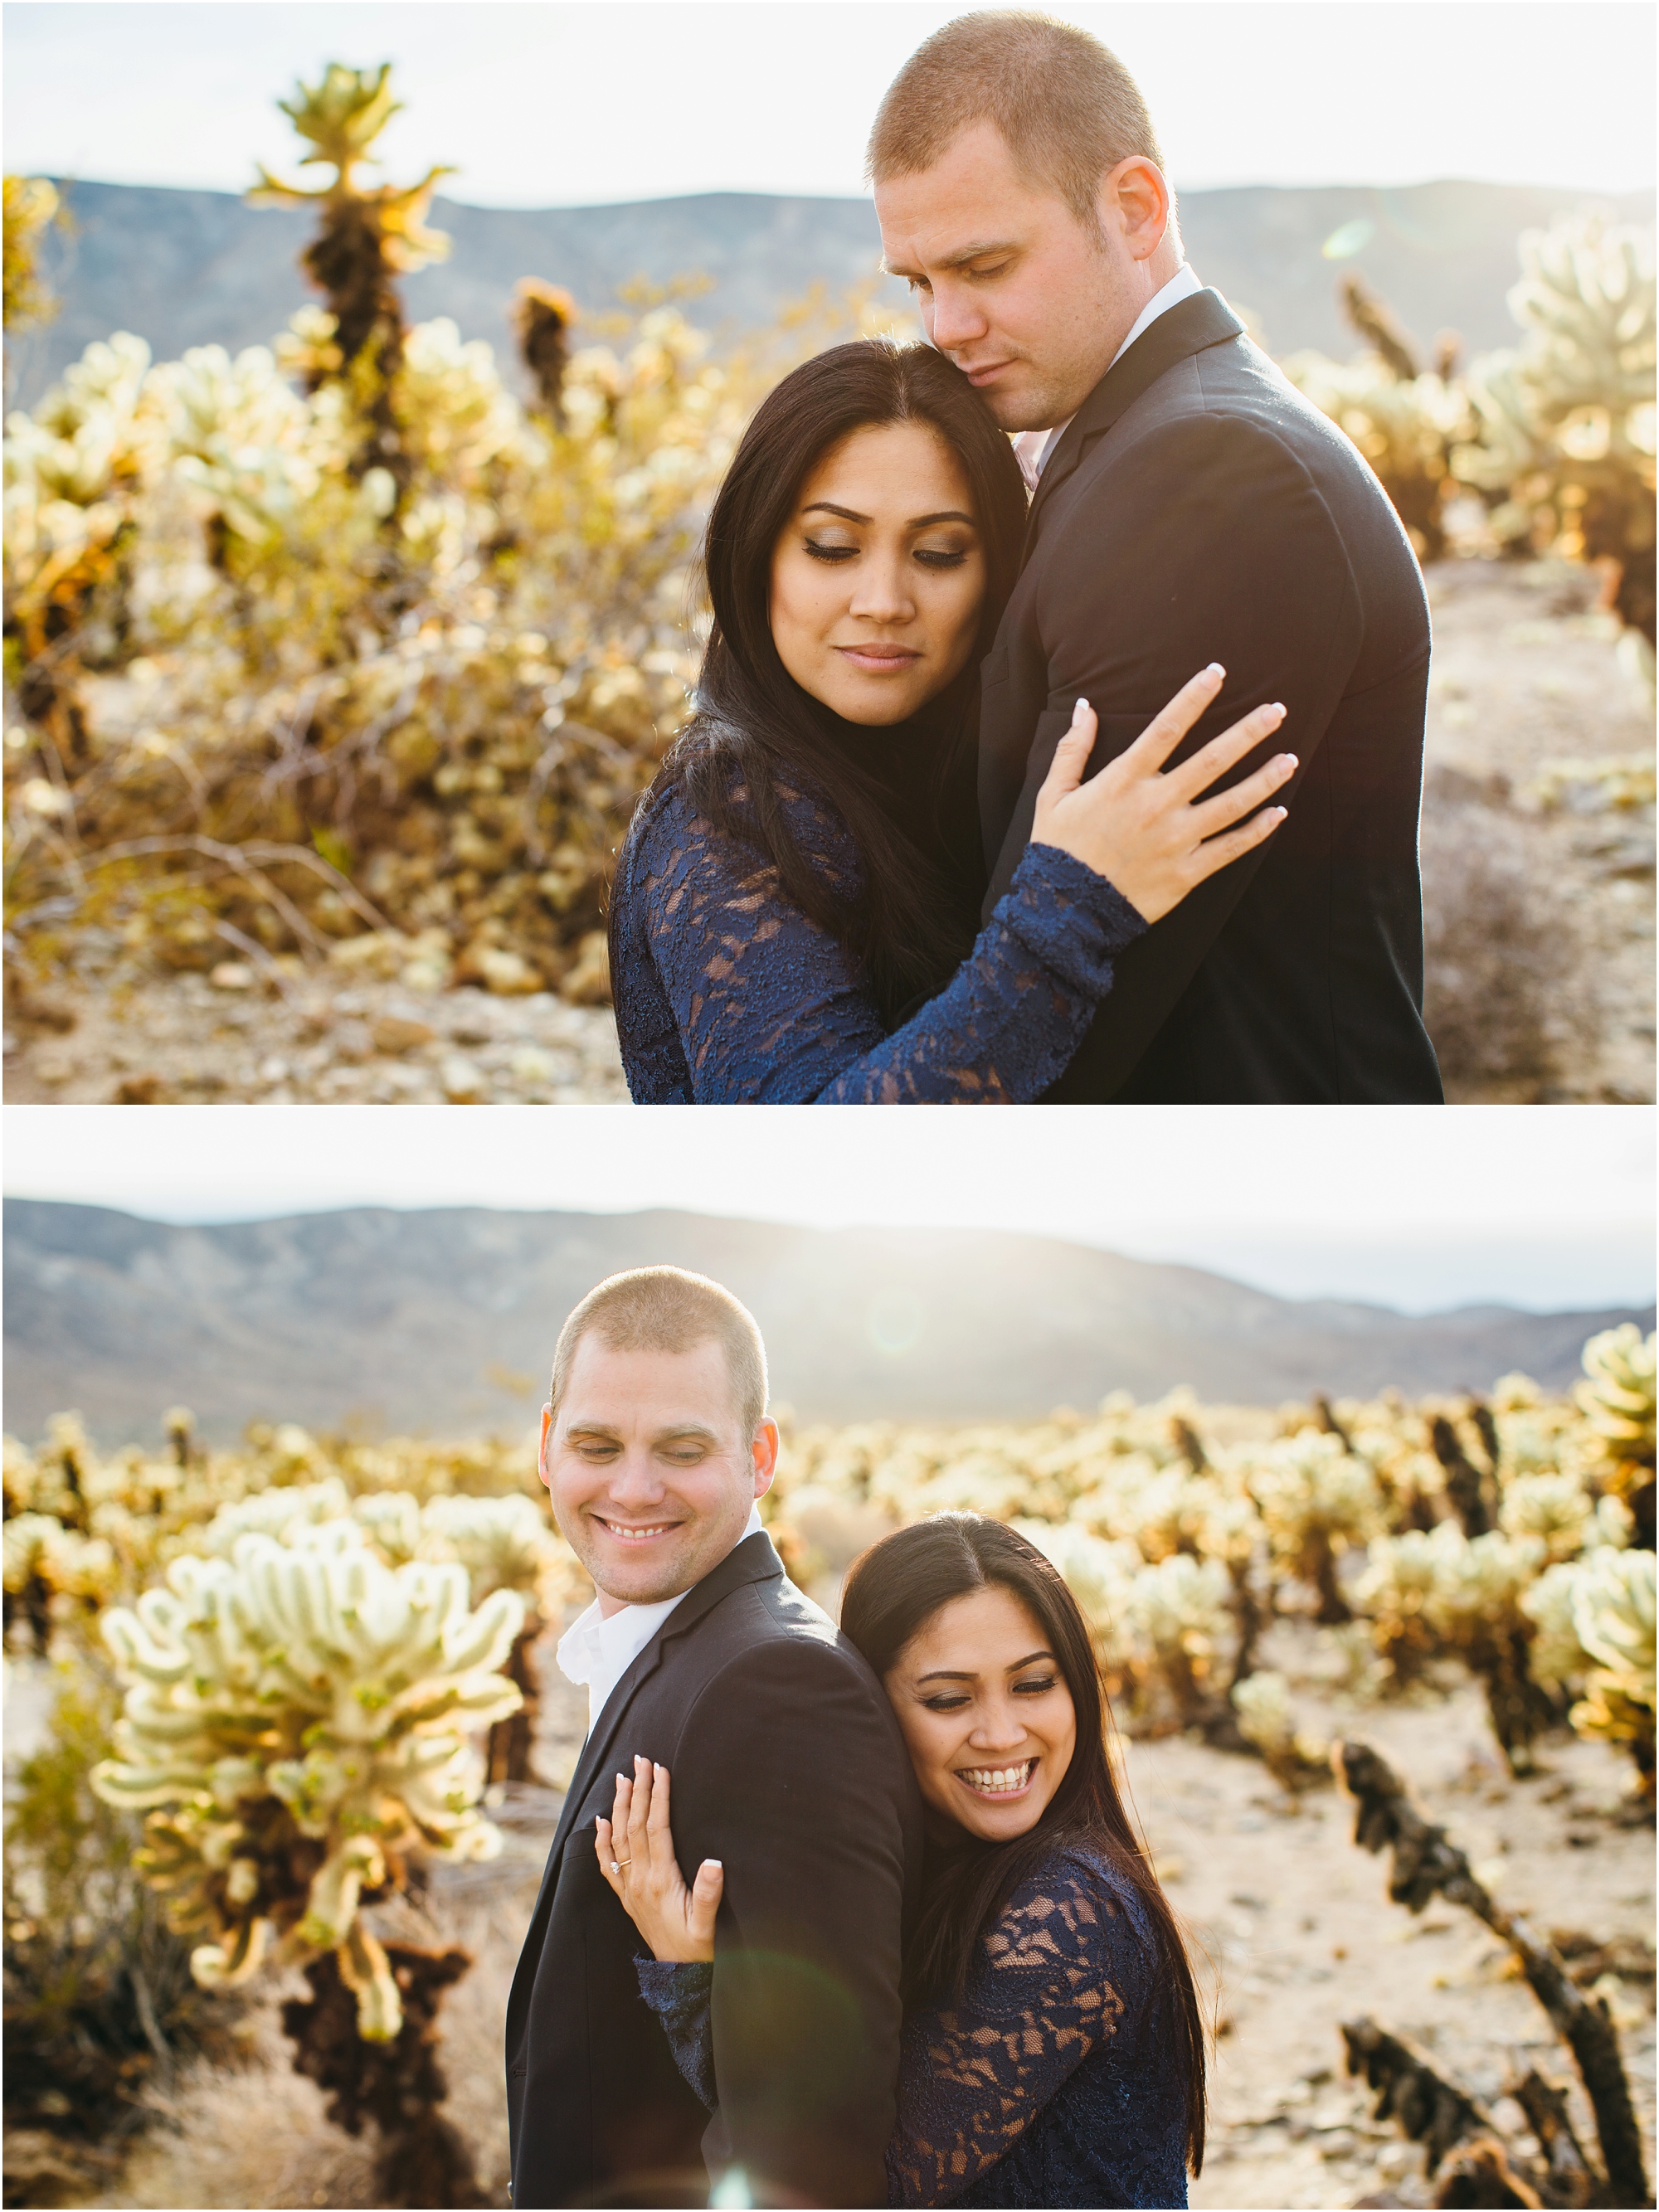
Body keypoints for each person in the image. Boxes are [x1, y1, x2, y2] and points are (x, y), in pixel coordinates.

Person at [869, 12, 1445, 1102]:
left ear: (1134, 209)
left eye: (984, 264)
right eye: (917, 282)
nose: (946, 322)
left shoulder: (1213, 475)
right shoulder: (1141, 437)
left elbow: (1062, 1019)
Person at [607, 338, 1297, 1101]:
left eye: (938, 553)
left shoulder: (952, 767)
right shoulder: (724, 817)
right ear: (755, 553)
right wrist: (1074, 904)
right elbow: (815, 1173)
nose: (884, 600)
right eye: (832, 547)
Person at [600, 1513, 1202, 2209]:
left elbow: (854, 2180)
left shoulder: (1072, 1909)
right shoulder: (935, 1875)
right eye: (949, 1698)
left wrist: (692, 1975)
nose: (1003, 1733)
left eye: (1034, 1684)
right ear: (873, 1705)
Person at [504, 1266, 922, 2210]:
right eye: (597, 1445)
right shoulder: (676, 1650)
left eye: (683, 1449)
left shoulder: (777, 1689)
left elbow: (806, 2147)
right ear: (545, 1446)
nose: (634, 1487)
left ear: (759, 1455)